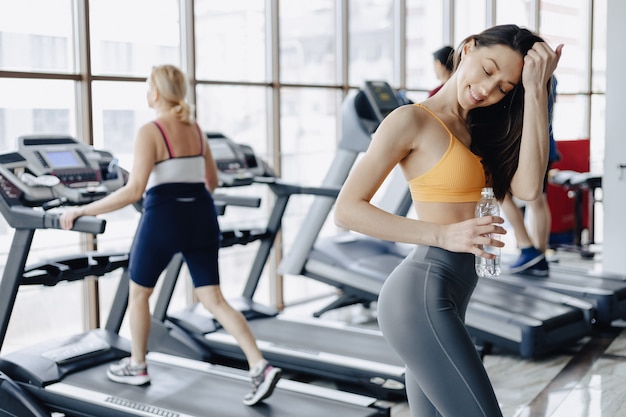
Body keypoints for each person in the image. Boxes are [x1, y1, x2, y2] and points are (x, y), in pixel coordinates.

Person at [334, 24, 562, 417]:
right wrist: (443, 233)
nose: (489, 90)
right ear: (468, 48)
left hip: (453, 293)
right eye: (488, 70)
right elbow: (347, 209)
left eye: (505, 87)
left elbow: (527, 188)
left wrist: (537, 91)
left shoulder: (479, 128)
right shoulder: (412, 121)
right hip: (420, 293)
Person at [60, 64, 281, 406]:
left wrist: (81, 210)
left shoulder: (151, 131)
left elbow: (134, 190)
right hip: (202, 216)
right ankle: (260, 365)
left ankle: (137, 365)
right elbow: (211, 182)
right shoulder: (196, 129)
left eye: (148, 86)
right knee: (214, 299)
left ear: (156, 93)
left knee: (139, 294)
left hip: (164, 217)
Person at [501, 75, 560, 276]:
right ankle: (538, 255)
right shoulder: (550, 77)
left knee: (499, 193)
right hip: (545, 146)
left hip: (524, 148)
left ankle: (528, 249)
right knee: (538, 201)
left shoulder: (523, 77)